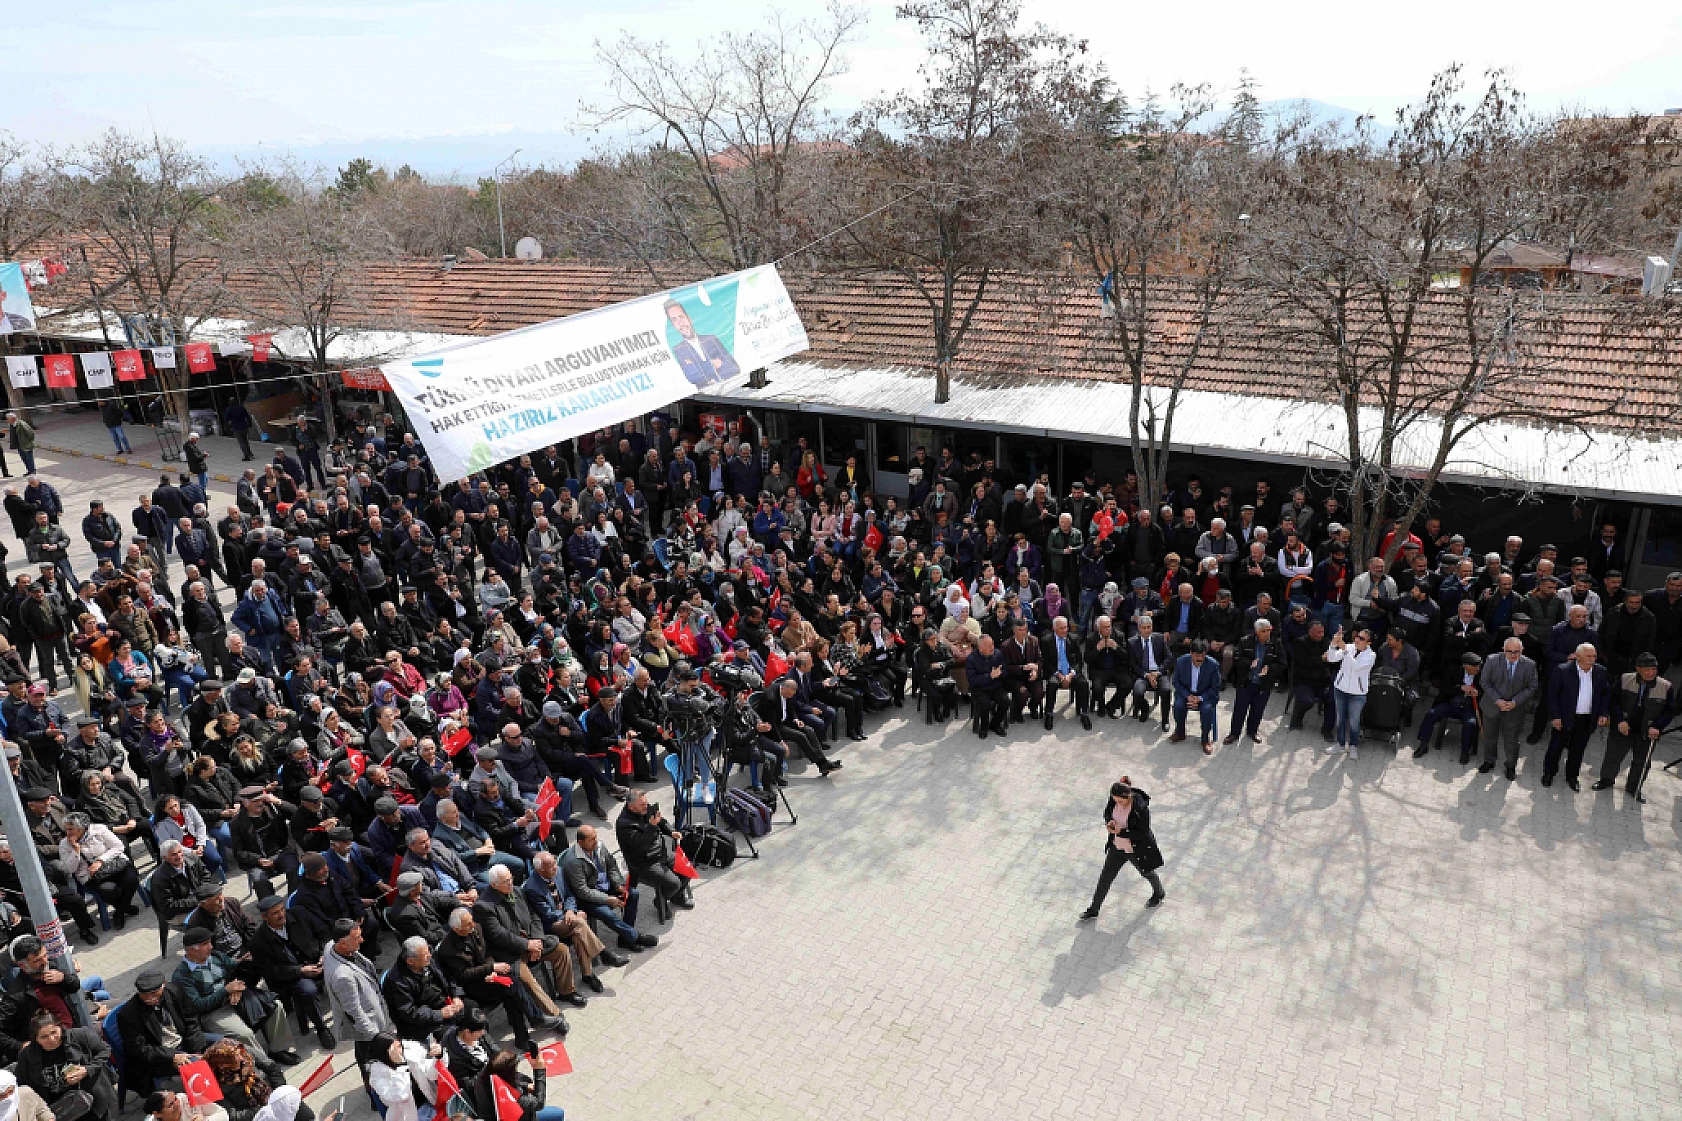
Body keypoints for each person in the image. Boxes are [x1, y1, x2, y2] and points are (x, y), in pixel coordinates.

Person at [171, 927, 299, 1064]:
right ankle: (263, 1066)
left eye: (210, 942)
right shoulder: (182, 976)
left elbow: (235, 969)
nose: (211, 946)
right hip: (213, 1012)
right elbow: (197, 1005)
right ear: (191, 950)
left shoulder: (215, 956)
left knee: (275, 1006)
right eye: (205, 944)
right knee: (244, 1034)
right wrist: (225, 991)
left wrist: (237, 988)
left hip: (236, 998)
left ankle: (279, 1050)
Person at [323, 917, 395, 1095]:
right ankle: (376, 1096)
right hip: (367, 1029)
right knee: (370, 1062)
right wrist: (377, 1037)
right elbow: (355, 1013)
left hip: (372, 1014)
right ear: (343, 943)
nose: (362, 940)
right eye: (357, 938)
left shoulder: (331, 947)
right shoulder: (343, 977)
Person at [1080, 778, 1165, 917]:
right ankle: (1094, 909)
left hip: (1135, 850)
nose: (1117, 803)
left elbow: (1142, 833)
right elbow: (1107, 812)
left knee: (1147, 873)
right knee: (1105, 877)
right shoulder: (1114, 800)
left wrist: (1121, 832)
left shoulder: (1141, 809)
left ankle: (1159, 892)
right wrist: (1110, 822)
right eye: (1115, 800)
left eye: (1120, 801)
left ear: (1128, 797)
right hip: (1117, 847)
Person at [1596, 651, 1674, 802]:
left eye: (1654, 669)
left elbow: (1670, 711)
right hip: (1623, 727)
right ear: (1638, 669)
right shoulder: (1625, 679)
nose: (1651, 673)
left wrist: (1657, 726)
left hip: (1647, 731)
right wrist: (1620, 720)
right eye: (1647, 669)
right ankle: (1606, 780)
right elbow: (1613, 701)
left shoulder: (1665, 687)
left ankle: (1634, 788)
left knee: (1642, 762)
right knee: (1612, 756)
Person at [14, 1012, 117, 1121]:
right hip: (60, 1109)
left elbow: (104, 1050)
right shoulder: (26, 1056)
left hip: (95, 1100)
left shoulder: (80, 1036)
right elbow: (23, 1085)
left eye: (54, 1032)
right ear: (36, 1039)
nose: (52, 1039)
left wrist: (87, 1070)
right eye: (44, 1037)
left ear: (60, 1027)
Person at [1542, 642, 1609, 790]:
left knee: (1578, 749)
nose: (1592, 659)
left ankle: (1572, 776)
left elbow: (1605, 694)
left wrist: (1603, 713)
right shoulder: (1562, 670)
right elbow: (1552, 695)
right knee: (1555, 747)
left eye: (1594, 656)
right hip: (1565, 717)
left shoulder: (1600, 672)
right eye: (1588, 656)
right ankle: (1549, 773)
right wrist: (1555, 716)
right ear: (1577, 656)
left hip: (1586, 719)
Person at [614, 789, 690, 916]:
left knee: (686, 869)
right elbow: (641, 846)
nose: (646, 806)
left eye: (646, 803)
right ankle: (660, 900)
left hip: (661, 851)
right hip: (644, 862)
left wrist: (671, 832)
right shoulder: (624, 825)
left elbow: (661, 820)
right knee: (674, 883)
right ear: (631, 806)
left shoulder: (644, 808)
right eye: (642, 805)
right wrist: (651, 826)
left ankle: (676, 897)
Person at [1415, 653, 1485, 763]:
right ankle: (1423, 744)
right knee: (1431, 714)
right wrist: (1461, 688)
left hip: (1468, 707)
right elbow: (1445, 688)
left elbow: (1485, 691)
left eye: (1478, 667)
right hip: (1451, 704)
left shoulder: (1482, 675)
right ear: (1466, 666)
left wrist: (1477, 693)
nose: (1478, 669)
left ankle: (1465, 751)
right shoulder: (1453, 671)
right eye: (1475, 667)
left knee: (1470, 723)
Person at [1224, 619, 1282, 746]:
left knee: (1258, 709)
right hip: (1246, 681)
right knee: (1240, 709)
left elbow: (1282, 664)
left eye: (1268, 630)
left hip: (1263, 684)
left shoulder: (1276, 644)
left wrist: (1270, 669)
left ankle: (1252, 731)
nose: (1267, 634)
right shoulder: (1245, 641)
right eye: (1263, 631)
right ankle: (1234, 733)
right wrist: (1249, 664)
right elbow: (1237, 658)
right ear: (1256, 632)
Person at [1323, 627, 1375, 760]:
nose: (1357, 639)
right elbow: (1332, 658)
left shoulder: (1371, 655)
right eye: (1357, 636)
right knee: (1340, 719)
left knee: (1353, 721)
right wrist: (1333, 644)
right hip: (1341, 689)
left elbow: (1357, 666)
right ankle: (1340, 744)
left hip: (1357, 693)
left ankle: (1353, 745)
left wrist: (1344, 649)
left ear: (1368, 643)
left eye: (1362, 638)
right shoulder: (1350, 647)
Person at [1170, 639, 1221, 752]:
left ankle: (1205, 739)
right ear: (1191, 653)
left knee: (1207, 710)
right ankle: (1180, 733)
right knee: (1178, 706)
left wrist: (1200, 698)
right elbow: (1176, 682)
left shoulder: (1213, 665)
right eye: (1197, 656)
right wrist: (1187, 696)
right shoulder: (1181, 662)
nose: (1200, 659)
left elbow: (1215, 687)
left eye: (1202, 656)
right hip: (1186, 693)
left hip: (1205, 696)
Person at [1128, 615, 1172, 727]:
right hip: (1143, 674)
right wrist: (1147, 675)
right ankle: (1144, 708)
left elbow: (1169, 658)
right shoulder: (1132, 642)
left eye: (1149, 627)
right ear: (1139, 629)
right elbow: (1132, 663)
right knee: (1137, 692)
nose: (1147, 630)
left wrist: (1158, 672)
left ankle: (1165, 720)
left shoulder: (1159, 638)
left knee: (1166, 690)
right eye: (1144, 628)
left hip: (1158, 672)